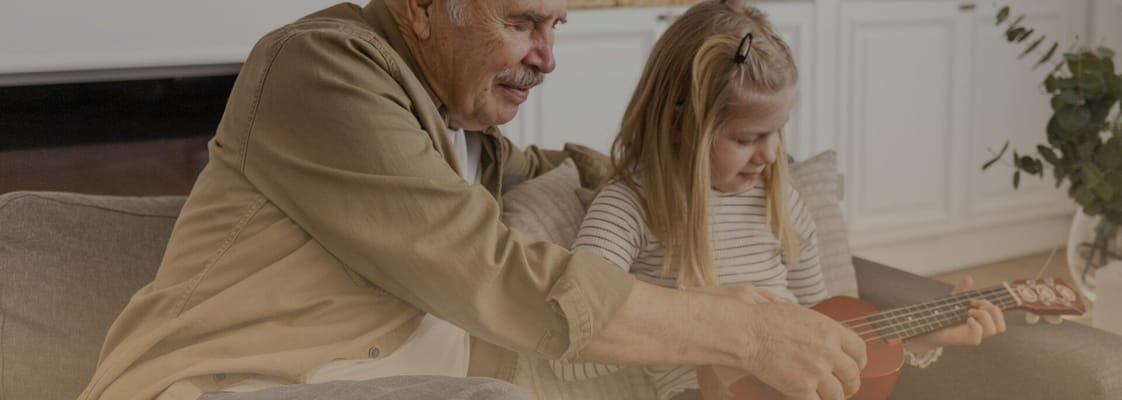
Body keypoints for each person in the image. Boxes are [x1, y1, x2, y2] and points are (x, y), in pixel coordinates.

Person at [79, 1, 869, 400]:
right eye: (523, 20)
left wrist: (693, 163)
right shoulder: (320, 67)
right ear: (421, 6)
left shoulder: (468, 144)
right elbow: (495, 271)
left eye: (555, 23)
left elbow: (579, 170)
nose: (548, 56)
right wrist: (740, 328)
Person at [548, 2, 1009, 399]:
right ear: (677, 125)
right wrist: (700, 316)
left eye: (777, 132)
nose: (770, 155)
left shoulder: (780, 202)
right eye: (748, 138)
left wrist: (920, 339)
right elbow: (570, 350)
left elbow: (831, 332)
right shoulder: (628, 208)